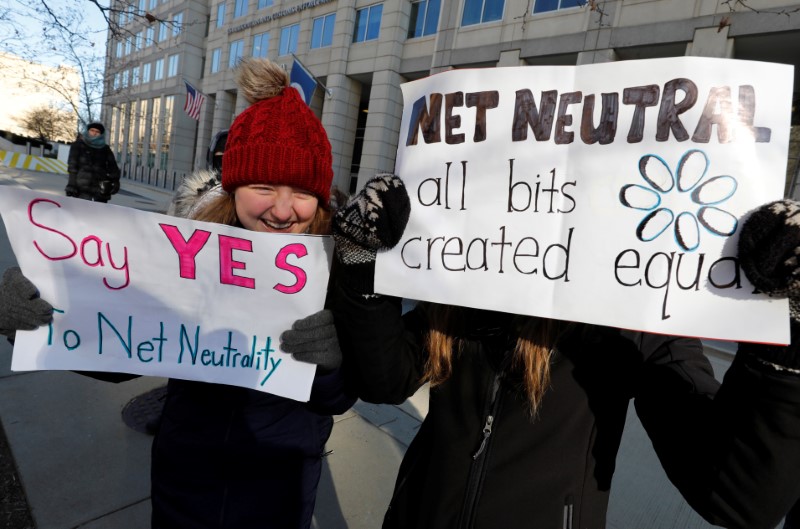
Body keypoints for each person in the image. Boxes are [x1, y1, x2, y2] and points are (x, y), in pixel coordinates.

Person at [330, 176, 800, 529]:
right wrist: (359, 263)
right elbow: (384, 380)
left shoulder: (631, 318)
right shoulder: (465, 283)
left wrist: (786, 345)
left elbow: (737, 498)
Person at [149, 57, 355, 529]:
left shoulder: (337, 266)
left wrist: (329, 366)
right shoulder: (186, 253)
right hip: (185, 477)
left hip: (281, 484)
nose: (283, 211)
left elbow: (341, 397)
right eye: (263, 186)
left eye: (302, 192)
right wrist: (47, 314)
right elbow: (116, 344)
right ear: (234, 187)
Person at [66, 122, 121, 203]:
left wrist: (116, 181)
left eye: (97, 132)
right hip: (81, 185)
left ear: (101, 134)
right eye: (92, 130)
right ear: (88, 131)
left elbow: (112, 166)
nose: (94, 133)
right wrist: (71, 184)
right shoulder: (78, 145)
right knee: (80, 210)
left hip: (100, 186)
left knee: (99, 212)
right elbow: (72, 166)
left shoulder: (105, 148)